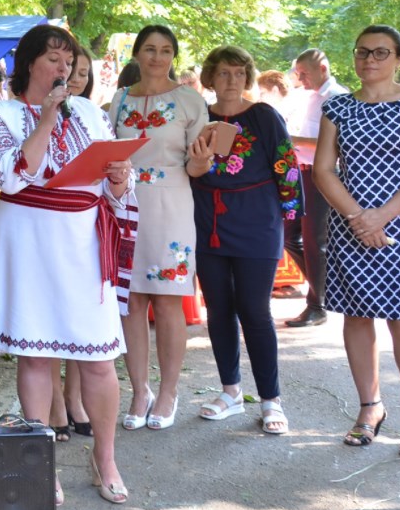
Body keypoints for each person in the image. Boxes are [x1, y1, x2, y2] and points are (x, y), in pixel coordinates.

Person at [0, 24, 134, 505]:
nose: (64, 69)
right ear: (30, 64)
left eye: (69, 61)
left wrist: (120, 176)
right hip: (29, 239)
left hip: (82, 238)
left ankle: (105, 457)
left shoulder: (89, 110)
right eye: (54, 59)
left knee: (99, 358)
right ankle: (41, 461)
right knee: (36, 353)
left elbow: (115, 186)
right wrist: (45, 120)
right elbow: (5, 176)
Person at [314, 25, 400, 460]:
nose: (370, 60)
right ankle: (370, 409)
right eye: (362, 52)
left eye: (381, 52)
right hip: (350, 227)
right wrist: (357, 218)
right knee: (358, 318)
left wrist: (382, 215)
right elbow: (323, 170)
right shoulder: (338, 106)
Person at [188, 46, 303, 435]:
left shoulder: (264, 116)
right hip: (209, 220)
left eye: (239, 73)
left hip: (258, 220)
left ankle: (271, 399)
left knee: (254, 310)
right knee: (219, 310)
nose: (232, 81)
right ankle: (231, 392)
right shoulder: (197, 116)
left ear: (248, 77)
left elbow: (286, 165)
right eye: (223, 73)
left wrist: (287, 217)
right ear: (210, 78)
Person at [110, 24, 208, 431]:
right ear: (136, 53)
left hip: (172, 200)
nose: (157, 57)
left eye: (166, 50)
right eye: (149, 49)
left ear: (174, 55)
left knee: (167, 300)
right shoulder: (116, 100)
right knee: (130, 301)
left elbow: (199, 162)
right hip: (125, 203)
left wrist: (202, 162)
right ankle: (139, 390)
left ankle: (168, 391)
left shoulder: (189, 99)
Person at [51, 46, 100, 441]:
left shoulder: (92, 115)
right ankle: (54, 406)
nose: (75, 78)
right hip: (49, 227)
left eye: (82, 71)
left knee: (82, 325)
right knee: (49, 323)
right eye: (69, 70)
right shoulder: (37, 111)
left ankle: (75, 397)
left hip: (86, 225)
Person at [285, 49, 351, 328]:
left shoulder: (338, 97)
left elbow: (331, 146)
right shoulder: (307, 97)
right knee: (289, 234)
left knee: (315, 241)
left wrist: (290, 139)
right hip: (298, 173)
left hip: (322, 175)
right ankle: (323, 289)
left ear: (322, 68)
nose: (300, 78)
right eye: (298, 73)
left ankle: (317, 305)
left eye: (304, 73)